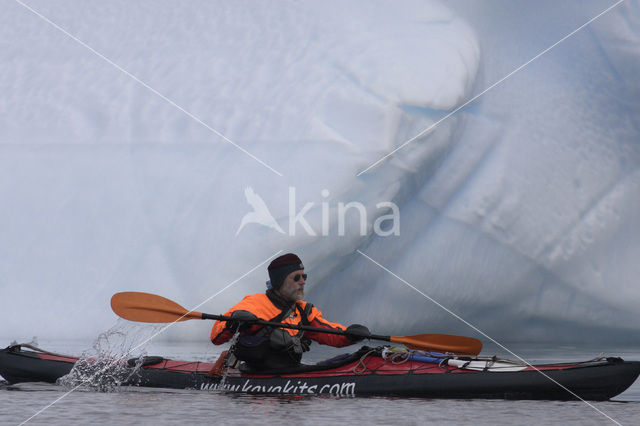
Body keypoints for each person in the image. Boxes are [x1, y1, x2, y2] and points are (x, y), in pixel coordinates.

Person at [211, 253, 370, 370]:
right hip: (258, 382)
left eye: (304, 276)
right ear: (280, 281)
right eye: (296, 277)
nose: (303, 282)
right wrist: (233, 324)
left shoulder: (303, 310)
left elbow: (328, 332)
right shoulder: (254, 304)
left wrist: (349, 335)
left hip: (289, 372)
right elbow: (216, 336)